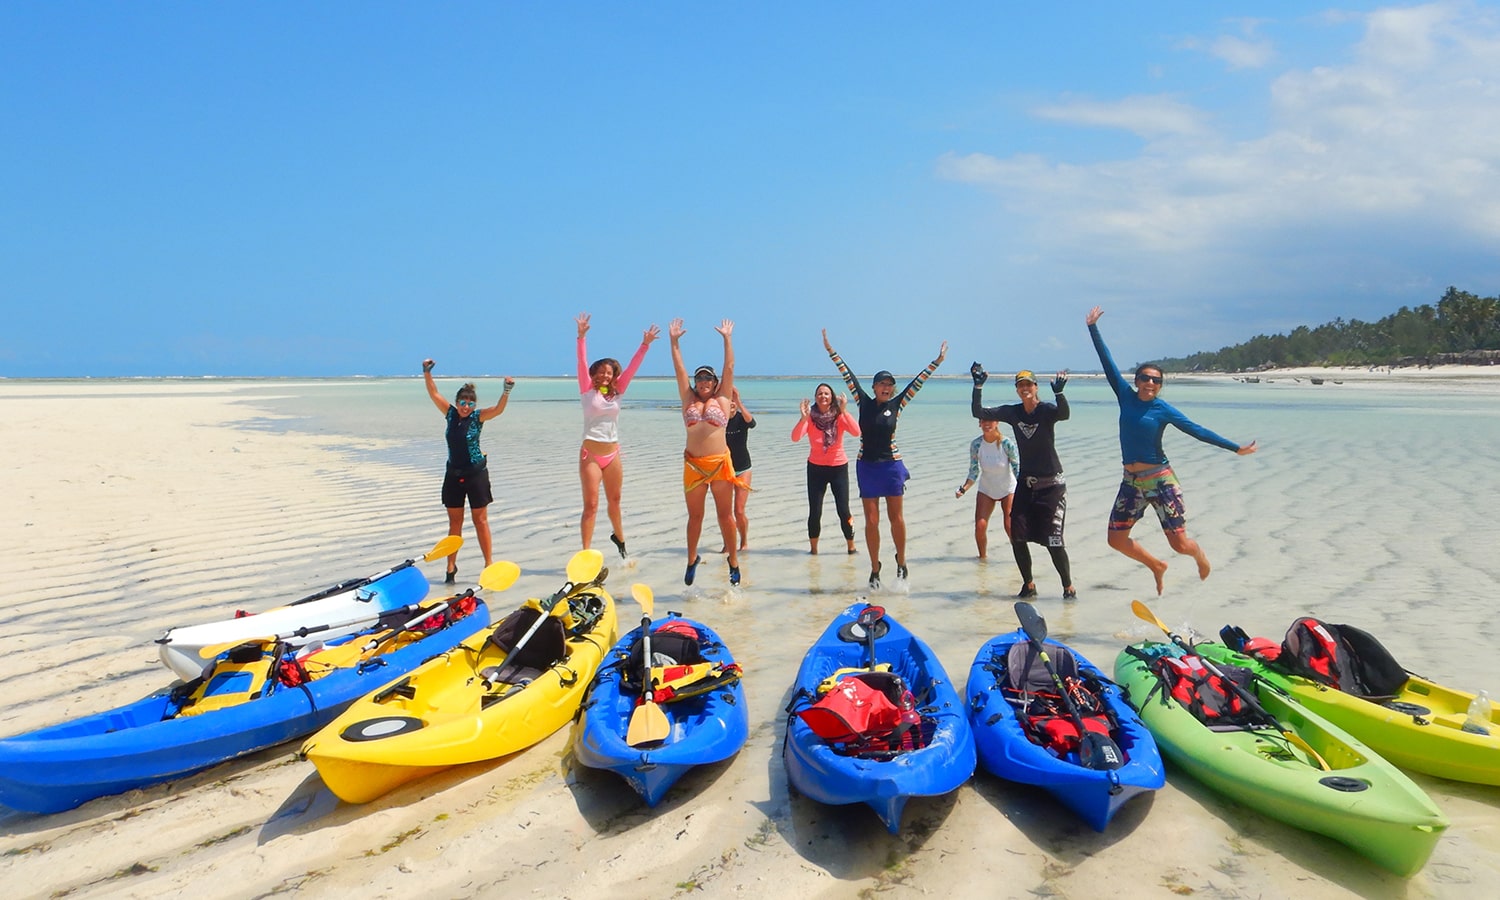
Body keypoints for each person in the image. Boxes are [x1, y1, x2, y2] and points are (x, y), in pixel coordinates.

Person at [1086, 306, 1258, 594]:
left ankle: (1198, 554)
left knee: (1179, 545)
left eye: (1156, 380)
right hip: (1131, 482)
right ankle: (1156, 565)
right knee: (1115, 540)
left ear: (1160, 385)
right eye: (1145, 378)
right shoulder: (1125, 397)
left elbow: (1197, 430)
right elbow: (1108, 363)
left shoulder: (1162, 409)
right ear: (1136, 380)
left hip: (1161, 480)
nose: (1150, 383)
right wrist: (1093, 328)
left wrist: (1235, 448)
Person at [823, 329, 947, 587]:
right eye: (882, 384)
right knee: (871, 520)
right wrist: (830, 350)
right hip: (866, 466)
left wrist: (937, 362)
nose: (887, 388)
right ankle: (875, 567)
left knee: (896, 518)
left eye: (890, 385)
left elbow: (917, 383)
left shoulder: (897, 405)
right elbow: (847, 374)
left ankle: (901, 561)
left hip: (891, 466)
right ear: (874, 387)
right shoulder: (863, 402)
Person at [971, 365, 1077, 599]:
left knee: (1054, 541)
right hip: (1026, 486)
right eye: (1021, 385)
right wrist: (978, 385)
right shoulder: (1013, 412)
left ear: (1036, 388)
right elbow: (978, 410)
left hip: (1052, 486)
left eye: (1029, 384)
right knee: (1017, 537)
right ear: (1017, 390)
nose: (1025, 388)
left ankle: (1068, 588)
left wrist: (1060, 393)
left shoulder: (1047, 411)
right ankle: (1029, 586)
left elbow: (1064, 414)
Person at [574, 313, 660, 557]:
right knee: (591, 506)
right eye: (600, 372)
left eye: (609, 372)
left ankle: (620, 539)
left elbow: (632, 368)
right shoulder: (586, 389)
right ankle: (585, 554)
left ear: (614, 375)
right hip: (590, 454)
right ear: (593, 374)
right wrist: (581, 336)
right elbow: (581, 361)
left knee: (615, 501)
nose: (604, 376)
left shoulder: (617, 392)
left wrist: (645, 345)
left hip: (613, 454)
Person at [669, 318, 746, 586]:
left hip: (719, 464)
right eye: (699, 377)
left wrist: (727, 338)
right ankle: (692, 559)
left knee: (725, 515)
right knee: (695, 517)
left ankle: (733, 560)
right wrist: (674, 342)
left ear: (715, 382)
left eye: (707, 377)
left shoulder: (722, 398)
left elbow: (730, 367)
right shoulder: (688, 398)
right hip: (693, 466)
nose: (703, 381)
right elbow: (679, 370)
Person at [422, 360, 514, 583]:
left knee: (480, 520)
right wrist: (426, 372)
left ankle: (488, 564)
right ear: (456, 402)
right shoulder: (450, 414)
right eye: (462, 403)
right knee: (455, 523)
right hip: (453, 474)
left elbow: (499, 410)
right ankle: (451, 566)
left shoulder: (478, 417)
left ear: (474, 405)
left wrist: (506, 391)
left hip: (476, 475)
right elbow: (433, 393)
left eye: (470, 404)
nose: (466, 407)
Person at [791, 383, 861, 555]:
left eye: (827, 393)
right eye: (820, 393)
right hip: (816, 469)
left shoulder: (839, 416)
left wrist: (844, 411)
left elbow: (856, 432)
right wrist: (803, 418)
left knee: (843, 510)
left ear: (832, 397)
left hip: (838, 468)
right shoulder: (810, 417)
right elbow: (795, 438)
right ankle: (813, 551)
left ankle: (851, 547)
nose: (823, 396)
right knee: (815, 511)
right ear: (815, 398)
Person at [956, 415, 1019, 560]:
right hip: (987, 489)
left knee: (1009, 526)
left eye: (990, 420)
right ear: (979, 424)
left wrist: (1026, 490)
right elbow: (974, 471)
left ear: (997, 423)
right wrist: (964, 488)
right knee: (980, 526)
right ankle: (982, 560)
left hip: (1007, 488)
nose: (986, 424)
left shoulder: (1007, 443)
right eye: (983, 421)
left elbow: (1017, 468)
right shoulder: (976, 445)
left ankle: (1020, 558)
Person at [722, 387, 755, 552]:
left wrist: (739, 402)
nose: (731, 404)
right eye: (728, 401)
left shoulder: (742, 419)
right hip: (724, 470)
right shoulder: (719, 422)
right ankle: (728, 544)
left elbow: (752, 423)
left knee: (739, 511)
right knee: (725, 513)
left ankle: (744, 541)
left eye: (733, 401)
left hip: (743, 468)